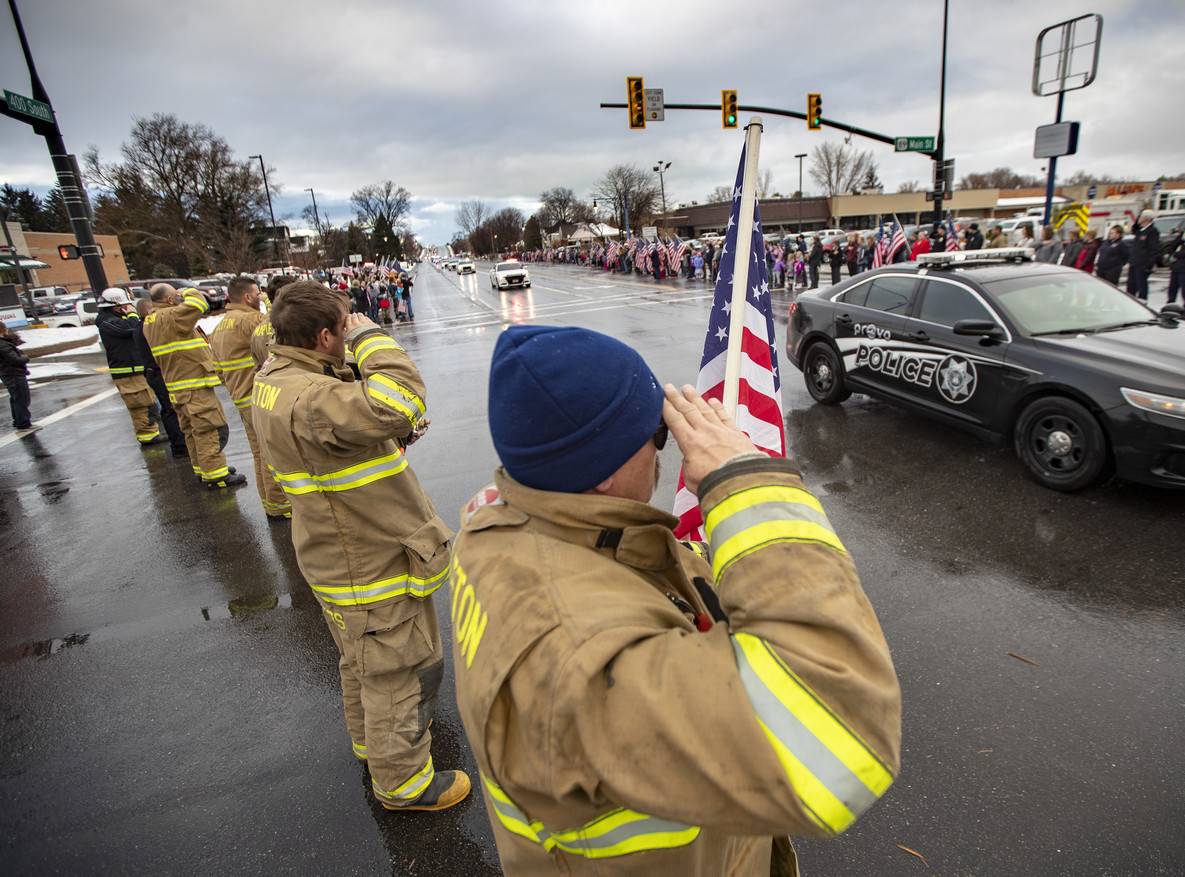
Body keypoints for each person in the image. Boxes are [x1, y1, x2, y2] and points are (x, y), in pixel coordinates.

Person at [449, 324, 902, 877]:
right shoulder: (577, 655)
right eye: (658, 435)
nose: (673, 447)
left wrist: (694, 560)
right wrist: (748, 487)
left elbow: (610, 575)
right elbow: (844, 737)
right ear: (601, 477)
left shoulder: (502, 521)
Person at [250, 280, 469, 812]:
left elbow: (343, 431)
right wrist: (371, 335)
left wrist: (382, 431)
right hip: (368, 562)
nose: (350, 336)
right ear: (326, 335)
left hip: (334, 556)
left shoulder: (279, 378)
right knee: (396, 667)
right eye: (344, 329)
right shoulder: (313, 397)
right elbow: (400, 398)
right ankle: (404, 783)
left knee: (359, 661)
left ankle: (372, 743)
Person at [142, 284, 246, 489]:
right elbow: (199, 302)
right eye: (175, 296)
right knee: (209, 428)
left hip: (178, 386)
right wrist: (186, 291)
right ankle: (216, 475)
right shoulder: (170, 316)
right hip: (193, 385)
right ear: (170, 299)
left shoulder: (150, 321)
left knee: (192, 431)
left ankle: (204, 468)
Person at [209, 276, 290, 519]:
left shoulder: (219, 327)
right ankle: (280, 505)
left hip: (241, 398)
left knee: (259, 453)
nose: (261, 297)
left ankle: (270, 502)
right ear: (247, 297)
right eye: (257, 293)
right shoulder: (251, 320)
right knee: (273, 454)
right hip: (260, 396)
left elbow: (219, 371)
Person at [95, 289, 166, 446]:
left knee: (148, 402)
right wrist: (133, 314)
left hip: (135, 368)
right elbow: (130, 327)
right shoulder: (106, 321)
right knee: (140, 405)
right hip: (127, 371)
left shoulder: (115, 319)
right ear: (116, 305)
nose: (128, 307)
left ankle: (151, 431)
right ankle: (148, 435)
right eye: (125, 305)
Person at [132, 297, 188, 458]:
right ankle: (180, 447)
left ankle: (179, 445)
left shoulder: (139, 327)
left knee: (168, 409)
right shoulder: (147, 327)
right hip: (159, 373)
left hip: (154, 373)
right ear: (149, 312)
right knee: (171, 410)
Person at [0, 324, 34, 432]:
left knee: (15, 399)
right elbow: (15, 360)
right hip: (14, 374)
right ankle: (23, 424)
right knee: (21, 399)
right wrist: (25, 357)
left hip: (7, 374)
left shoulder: (3, 343)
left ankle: (18, 421)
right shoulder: (3, 345)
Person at [1127, 209, 1161, 301]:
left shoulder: (1152, 231)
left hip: (1142, 263)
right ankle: (1130, 300)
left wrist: (1149, 264)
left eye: (1141, 216)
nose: (1139, 218)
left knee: (1141, 284)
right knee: (1131, 284)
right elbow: (1134, 229)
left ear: (1146, 218)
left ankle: (1142, 301)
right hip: (1134, 261)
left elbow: (1154, 248)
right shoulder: (1140, 230)